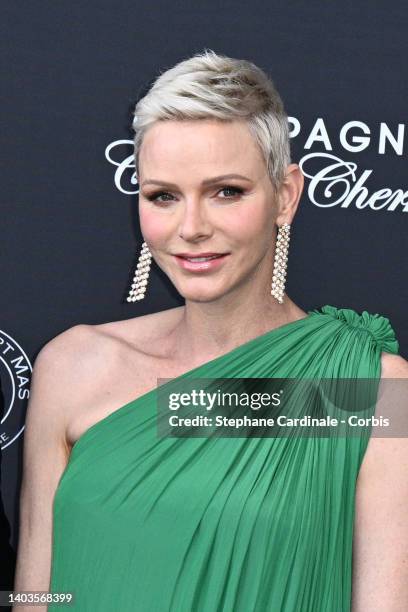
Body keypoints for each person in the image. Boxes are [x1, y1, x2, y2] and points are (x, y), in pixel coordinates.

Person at [13, 49, 407, 611]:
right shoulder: (73, 365)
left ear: (286, 195)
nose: (191, 228)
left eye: (227, 191)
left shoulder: (363, 391)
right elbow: (33, 591)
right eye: (163, 196)